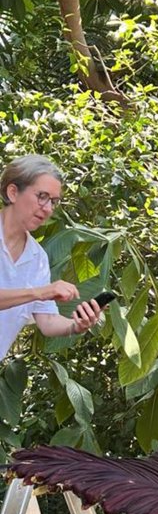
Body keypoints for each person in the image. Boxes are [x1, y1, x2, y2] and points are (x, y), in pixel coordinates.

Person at [0, 155, 102, 361]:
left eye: (54, 201)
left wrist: (76, 325)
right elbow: (38, 295)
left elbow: (47, 321)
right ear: (13, 192)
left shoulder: (37, 258)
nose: (47, 208)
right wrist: (39, 292)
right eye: (42, 196)